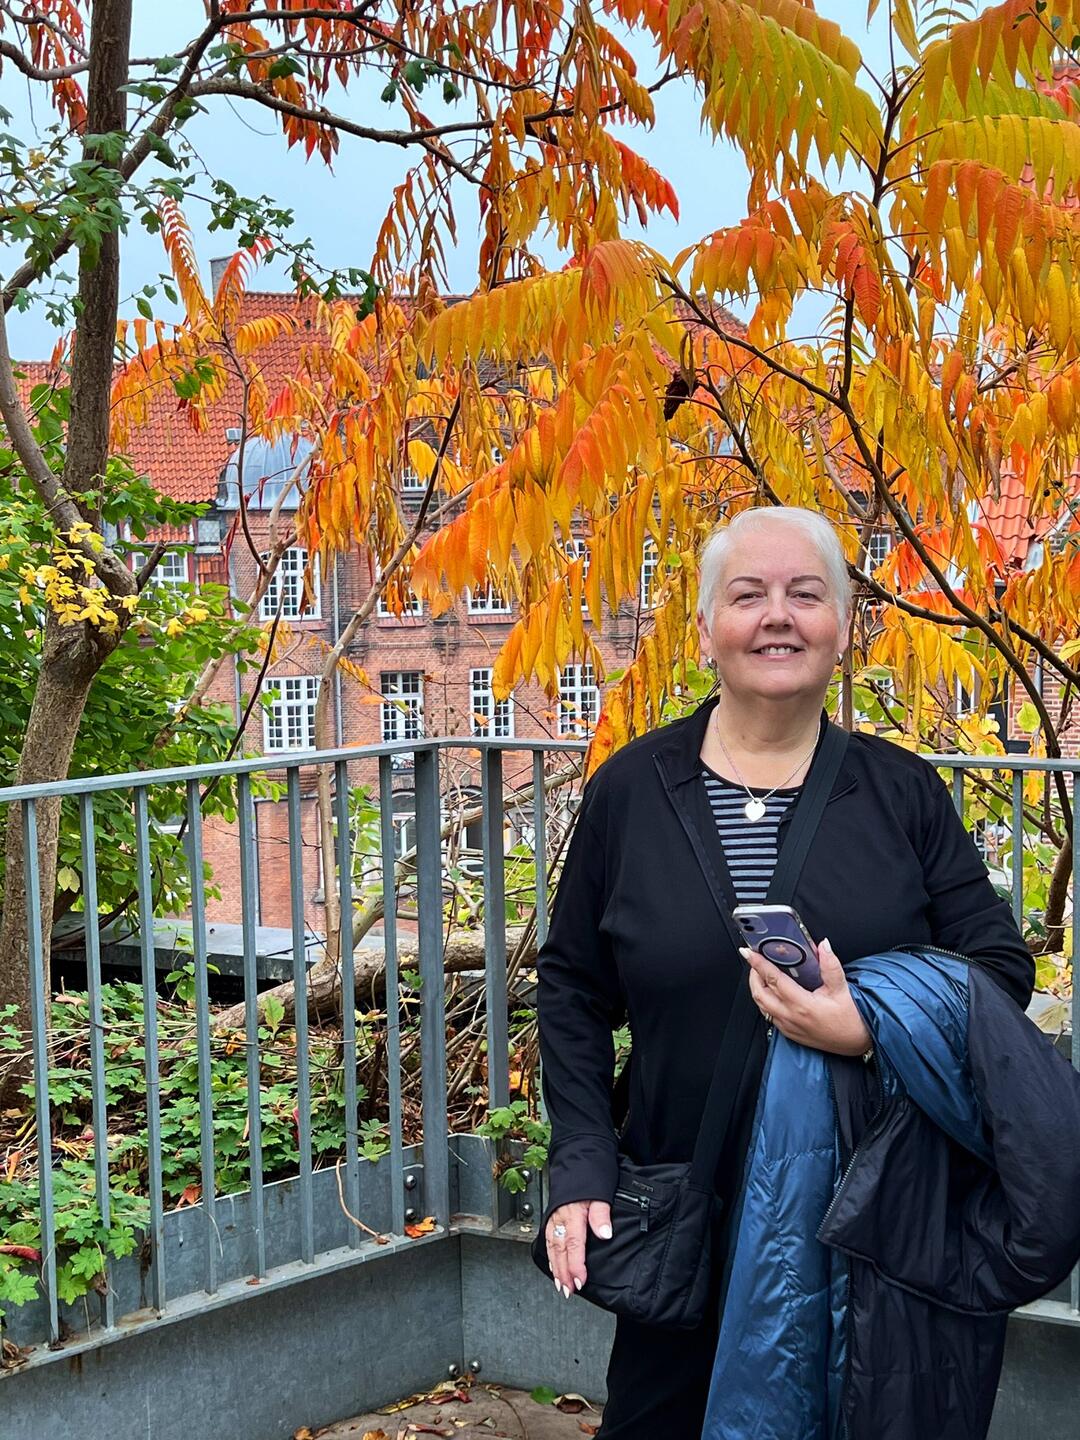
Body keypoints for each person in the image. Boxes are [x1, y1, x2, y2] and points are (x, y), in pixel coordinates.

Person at [535, 505, 1034, 1440]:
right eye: (749, 595)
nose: (779, 616)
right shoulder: (631, 792)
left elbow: (998, 969)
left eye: (807, 594)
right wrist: (581, 1166)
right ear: (705, 631)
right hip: (685, 1200)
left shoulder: (900, 793)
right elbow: (570, 988)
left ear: (842, 628)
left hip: (869, 1214)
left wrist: (870, 1028)